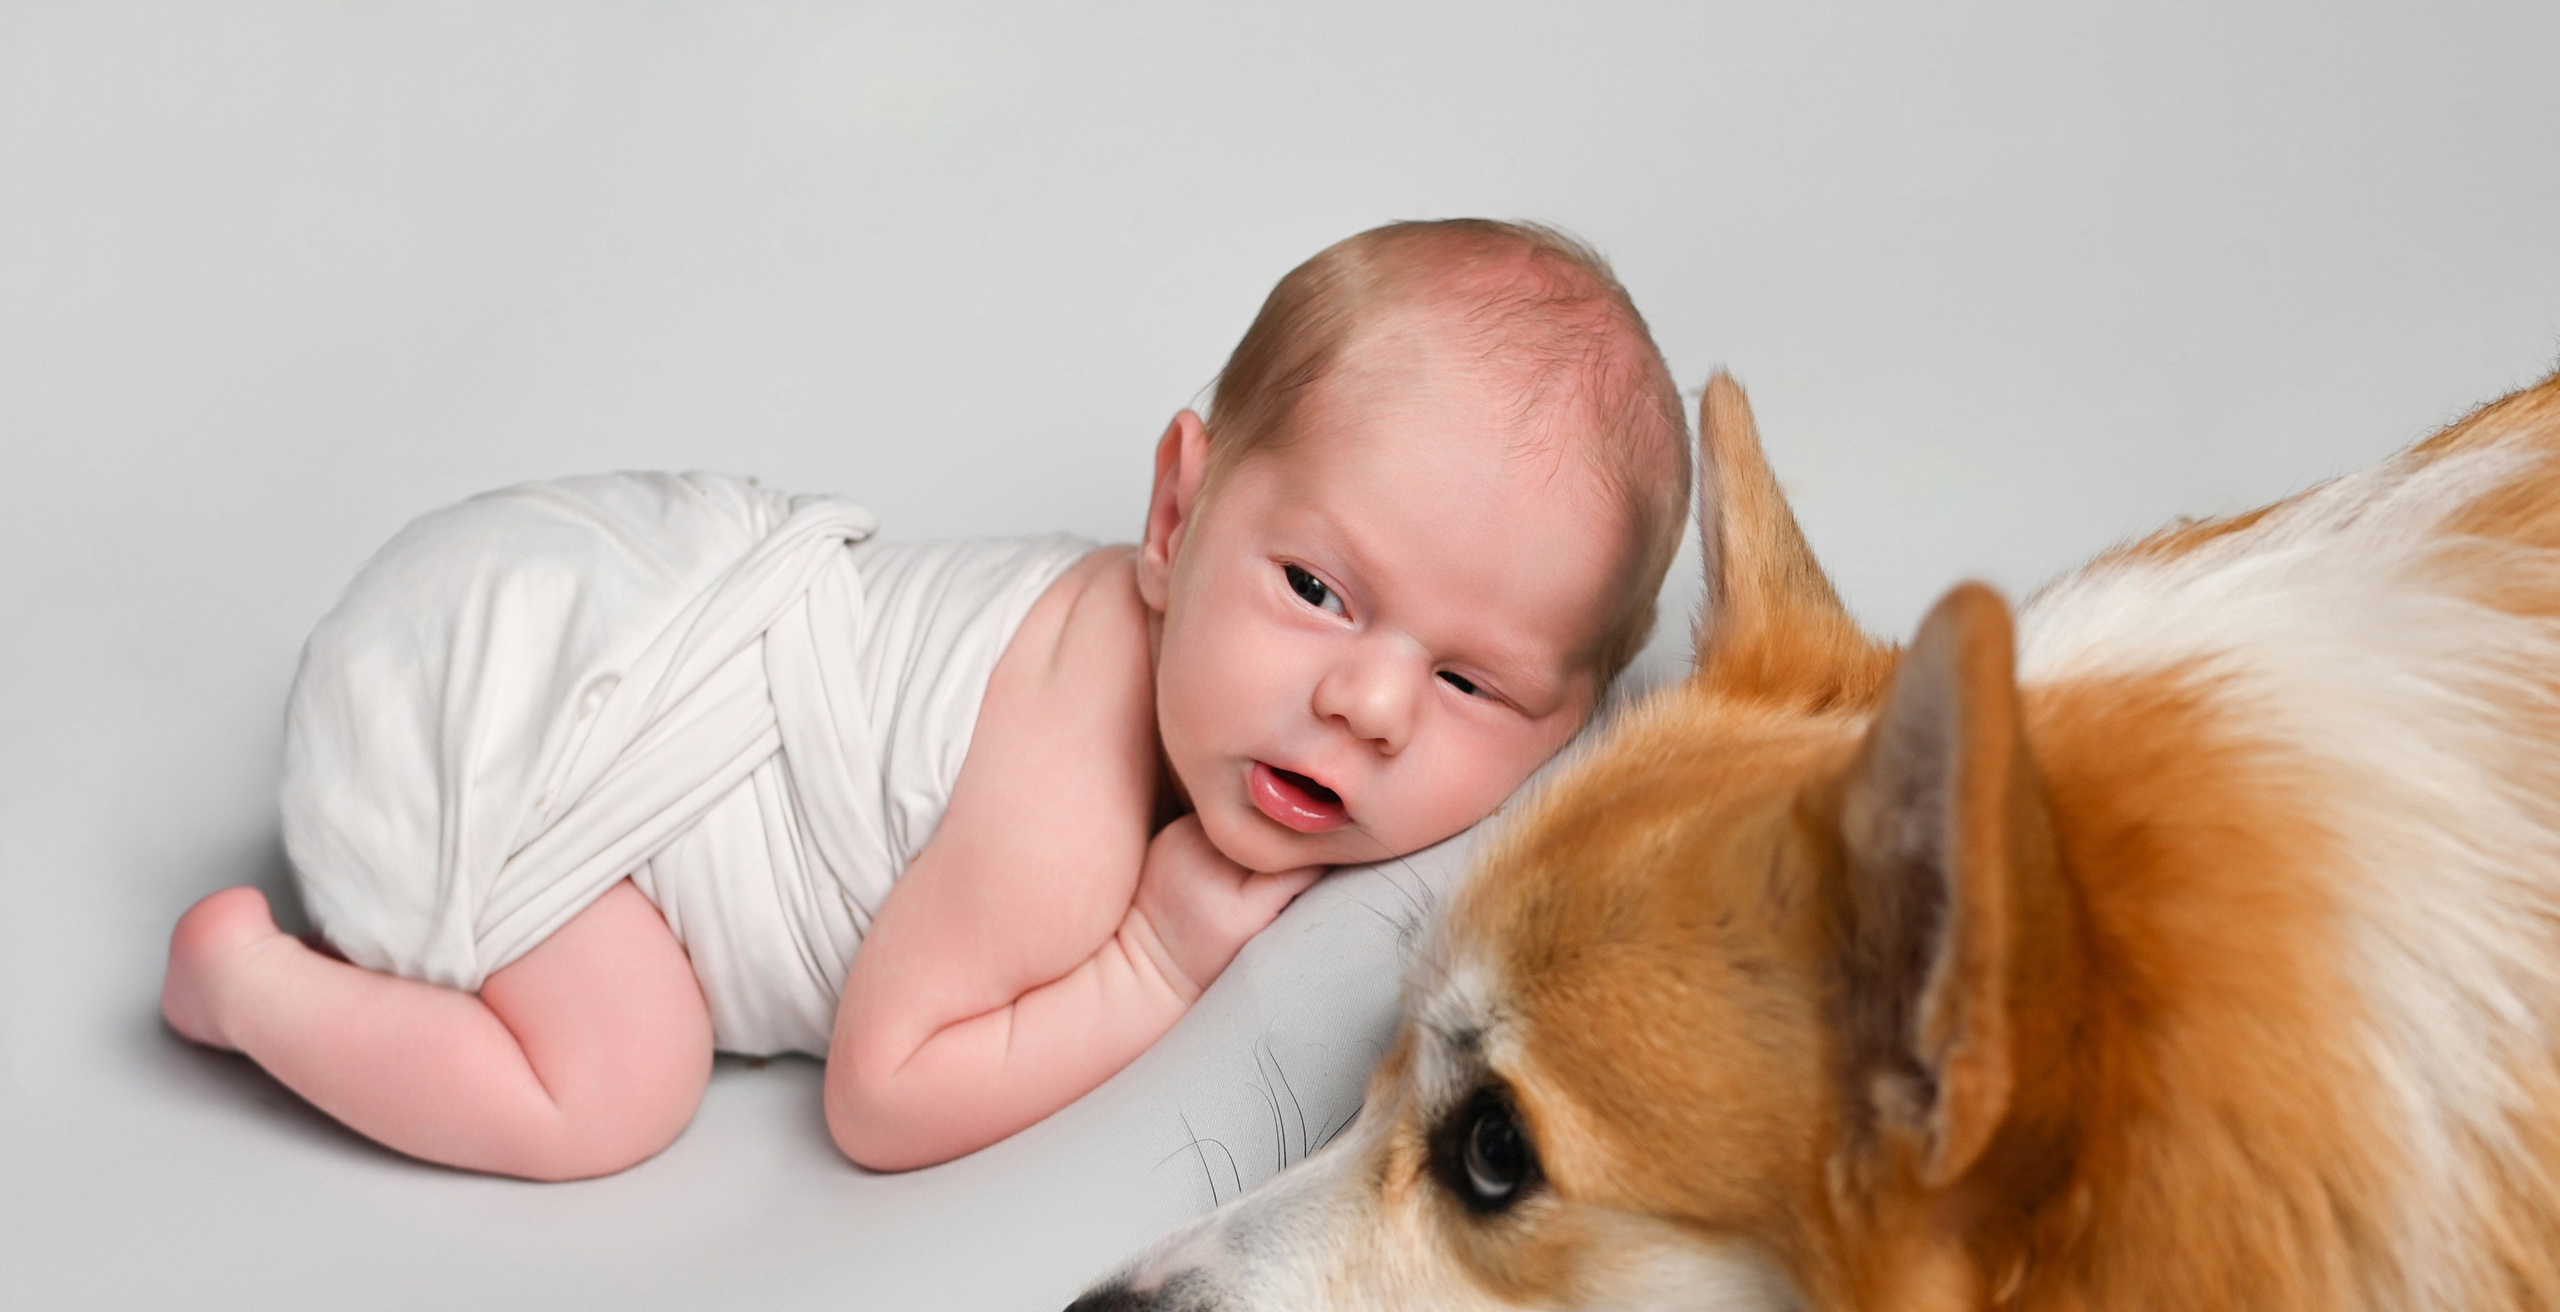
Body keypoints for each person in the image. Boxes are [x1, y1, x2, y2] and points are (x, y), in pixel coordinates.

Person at [159, 219, 1693, 1180]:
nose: (1366, 703)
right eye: (1314, 589)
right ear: (1177, 516)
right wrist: (1153, 958)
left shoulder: (1218, 691)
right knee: (616, 1089)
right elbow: (882, 1098)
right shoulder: (1067, 789)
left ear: (1572, 724)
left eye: (1470, 678)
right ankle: (246, 983)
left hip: (568, 580)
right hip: (510, 716)